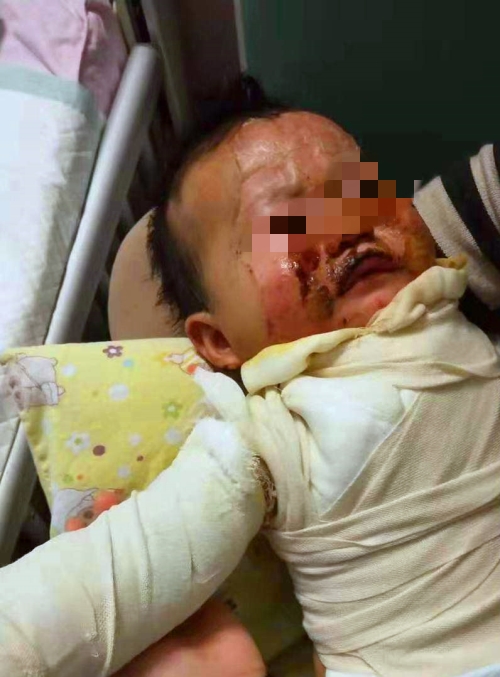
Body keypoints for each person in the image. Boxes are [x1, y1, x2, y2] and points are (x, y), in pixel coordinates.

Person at [2, 77, 500, 677]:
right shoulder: (270, 438)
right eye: (291, 223)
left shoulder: (462, 312)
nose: (350, 225)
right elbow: (95, 587)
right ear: (219, 342)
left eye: (361, 192)